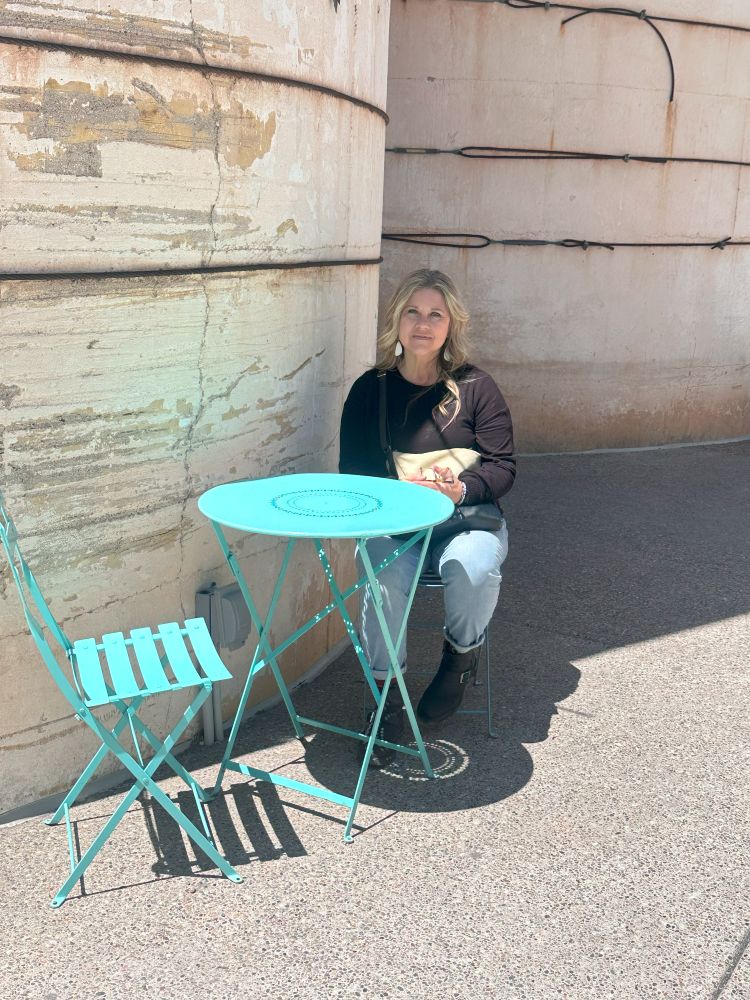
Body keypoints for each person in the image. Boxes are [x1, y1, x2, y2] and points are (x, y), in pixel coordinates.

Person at [339, 269, 515, 764]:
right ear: (397, 320)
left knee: (473, 568)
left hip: (468, 519)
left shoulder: (478, 387)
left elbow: (504, 468)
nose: (423, 323)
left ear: (450, 324)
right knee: (381, 574)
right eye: (412, 312)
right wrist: (399, 497)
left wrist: (460, 489)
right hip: (397, 525)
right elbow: (353, 473)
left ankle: (459, 660)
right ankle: (386, 698)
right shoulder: (369, 390)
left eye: (435, 314)